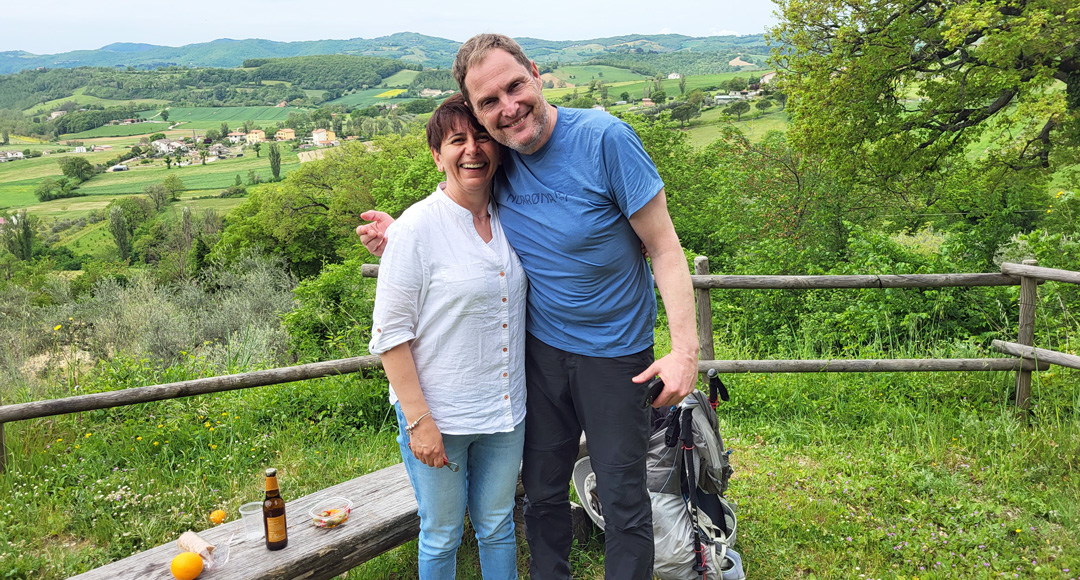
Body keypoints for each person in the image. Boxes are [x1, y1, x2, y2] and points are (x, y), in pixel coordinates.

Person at [359, 33, 698, 580]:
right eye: (489, 102)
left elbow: (664, 246)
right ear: (477, 113)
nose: (508, 108)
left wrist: (685, 350)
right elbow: (460, 214)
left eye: (514, 87)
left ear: (535, 73)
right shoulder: (503, 158)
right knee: (541, 494)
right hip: (538, 357)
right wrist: (404, 239)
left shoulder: (606, 140)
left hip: (617, 359)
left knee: (623, 498)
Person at [368, 94, 527, 580]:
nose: (472, 149)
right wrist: (419, 422)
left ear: (497, 146)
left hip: (504, 412)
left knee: (498, 525)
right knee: (441, 534)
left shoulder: (513, 217)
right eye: (457, 140)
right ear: (438, 155)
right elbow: (389, 336)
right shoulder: (417, 228)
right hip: (440, 415)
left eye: (481, 136)